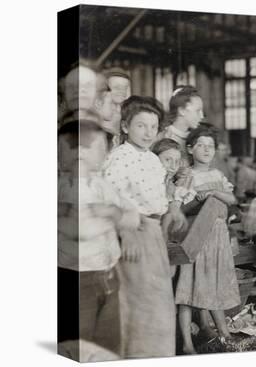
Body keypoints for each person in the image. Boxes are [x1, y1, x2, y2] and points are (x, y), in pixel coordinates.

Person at [103, 96, 186, 358]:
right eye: (141, 126)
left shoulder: (151, 159)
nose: (149, 132)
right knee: (138, 301)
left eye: (153, 126)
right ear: (125, 127)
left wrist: (173, 208)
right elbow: (110, 198)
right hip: (132, 232)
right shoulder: (120, 157)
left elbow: (159, 194)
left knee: (160, 299)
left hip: (152, 233)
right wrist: (126, 233)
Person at [58, 118, 140, 356]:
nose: (105, 155)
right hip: (75, 279)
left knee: (109, 343)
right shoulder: (61, 187)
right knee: (77, 344)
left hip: (108, 276)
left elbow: (132, 216)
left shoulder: (104, 186)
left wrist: (114, 213)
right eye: (101, 149)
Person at [174, 126, 240, 354]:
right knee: (187, 290)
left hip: (217, 239)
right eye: (200, 145)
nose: (205, 149)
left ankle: (225, 334)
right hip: (196, 239)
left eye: (210, 146)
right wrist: (197, 202)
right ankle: (187, 344)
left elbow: (231, 198)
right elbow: (179, 208)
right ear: (190, 149)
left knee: (211, 286)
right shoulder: (187, 175)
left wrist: (213, 193)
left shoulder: (218, 175)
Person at [156, 85, 204, 168]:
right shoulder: (163, 137)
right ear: (182, 111)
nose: (202, 116)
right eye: (198, 111)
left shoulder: (197, 138)